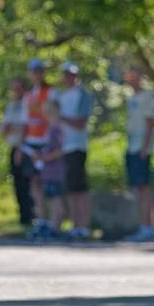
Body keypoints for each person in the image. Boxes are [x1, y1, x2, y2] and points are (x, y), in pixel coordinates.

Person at [54, 62, 93, 240]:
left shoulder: (83, 94)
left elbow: (80, 123)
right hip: (64, 148)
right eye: (66, 74)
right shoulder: (62, 96)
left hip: (77, 146)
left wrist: (60, 117)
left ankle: (83, 225)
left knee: (80, 188)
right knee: (70, 189)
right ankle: (75, 225)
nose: (69, 78)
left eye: (72, 74)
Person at [18, 58, 56, 238]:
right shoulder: (28, 95)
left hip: (46, 142)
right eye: (34, 71)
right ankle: (40, 219)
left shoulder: (51, 92)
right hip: (32, 143)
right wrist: (21, 146)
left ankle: (52, 221)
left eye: (39, 71)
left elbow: (55, 117)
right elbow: (25, 123)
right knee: (34, 182)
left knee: (48, 182)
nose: (36, 74)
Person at [122, 68, 154, 241]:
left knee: (144, 188)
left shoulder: (148, 96)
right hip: (132, 148)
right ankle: (143, 225)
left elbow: (151, 123)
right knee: (137, 188)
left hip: (142, 149)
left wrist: (144, 148)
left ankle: (147, 226)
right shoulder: (131, 98)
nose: (131, 79)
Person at [0, 77, 33, 226]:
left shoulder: (29, 104)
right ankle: (23, 218)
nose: (16, 92)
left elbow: (26, 128)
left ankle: (33, 215)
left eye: (19, 88)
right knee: (18, 183)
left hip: (27, 147)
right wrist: (14, 128)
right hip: (14, 146)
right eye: (14, 89)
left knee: (29, 184)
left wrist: (15, 129)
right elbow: (4, 130)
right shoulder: (11, 106)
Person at [32, 100, 65, 239]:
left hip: (55, 170)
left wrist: (43, 158)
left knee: (55, 199)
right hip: (49, 171)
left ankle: (55, 227)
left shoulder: (56, 128)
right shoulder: (51, 127)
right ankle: (52, 225)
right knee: (50, 199)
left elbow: (60, 150)